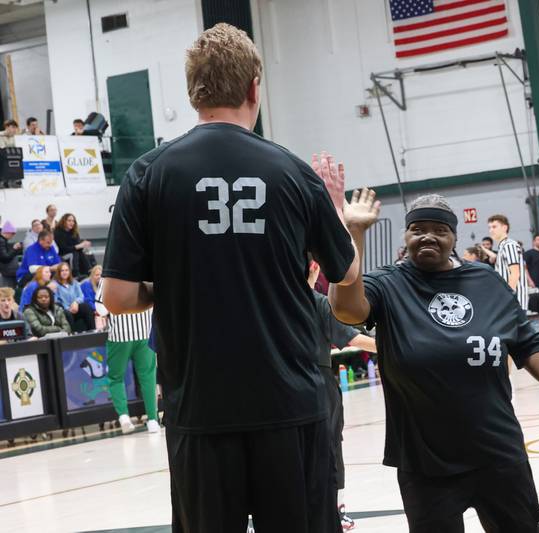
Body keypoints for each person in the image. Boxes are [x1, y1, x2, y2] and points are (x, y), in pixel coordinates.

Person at [100, 24, 358, 532]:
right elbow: (345, 272)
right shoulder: (291, 170)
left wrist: (170, 285)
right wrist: (337, 213)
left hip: (200, 412)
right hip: (291, 405)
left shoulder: (148, 173)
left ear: (193, 91)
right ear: (254, 88)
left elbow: (117, 296)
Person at [327, 184, 539, 533]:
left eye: (439, 230)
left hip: (498, 452)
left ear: (454, 238)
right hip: (425, 463)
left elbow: (526, 340)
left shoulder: (486, 281)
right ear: (406, 235)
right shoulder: (388, 284)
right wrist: (354, 231)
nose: (428, 236)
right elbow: (345, 308)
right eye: (418, 229)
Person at [307, 259, 376, 531]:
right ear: (314, 269)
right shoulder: (317, 302)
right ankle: (336, 510)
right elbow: (352, 338)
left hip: (274, 384)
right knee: (331, 446)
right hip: (317, 382)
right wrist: (397, 344)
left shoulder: (266, 301)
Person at [95, 281, 160, 434]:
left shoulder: (109, 276)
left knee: (116, 377)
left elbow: (100, 308)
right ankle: (152, 420)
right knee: (148, 378)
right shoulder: (145, 272)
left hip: (120, 336)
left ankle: (124, 417)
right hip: (144, 332)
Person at [488, 214, 529, 311]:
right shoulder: (502, 246)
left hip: (514, 300)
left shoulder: (509, 245)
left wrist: (509, 296)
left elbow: (515, 272)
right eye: (489, 227)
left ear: (505, 227)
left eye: (494, 227)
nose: (491, 230)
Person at [53, 262, 94, 333]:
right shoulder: (55, 285)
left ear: (69, 272)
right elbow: (56, 301)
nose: (64, 272)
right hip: (65, 310)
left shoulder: (74, 282)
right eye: (62, 271)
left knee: (86, 307)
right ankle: (72, 336)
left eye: (66, 270)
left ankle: (93, 331)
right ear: (58, 272)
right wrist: (68, 308)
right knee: (67, 313)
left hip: (75, 308)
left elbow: (81, 296)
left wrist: (76, 302)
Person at [0, 221, 22, 288]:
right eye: (12, 234)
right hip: (7, 273)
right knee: (7, 292)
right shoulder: (1, 241)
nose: (13, 236)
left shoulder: (3, 240)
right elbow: (5, 258)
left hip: (8, 272)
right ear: (7, 232)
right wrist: (14, 249)